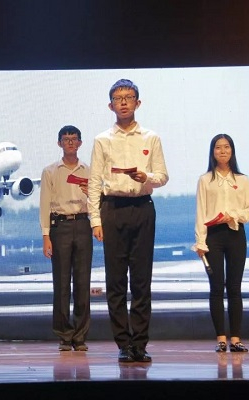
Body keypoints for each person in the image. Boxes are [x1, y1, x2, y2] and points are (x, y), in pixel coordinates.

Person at [87, 79, 169, 363]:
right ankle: (123, 343)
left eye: (129, 97)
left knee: (142, 280)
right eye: (118, 98)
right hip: (112, 209)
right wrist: (95, 220)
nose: (123, 102)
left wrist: (147, 177)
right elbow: (94, 182)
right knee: (116, 280)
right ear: (110, 105)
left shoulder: (151, 137)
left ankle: (140, 344)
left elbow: (163, 176)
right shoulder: (102, 140)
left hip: (142, 208)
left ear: (138, 103)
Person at [193, 134, 249, 353]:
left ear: (232, 151)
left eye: (226, 147)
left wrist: (234, 215)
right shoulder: (205, 180)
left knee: (235, 288)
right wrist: (200, 241)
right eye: (218, 147)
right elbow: (201, 212)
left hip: (236, 233)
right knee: (217, 288)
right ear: (212, 152)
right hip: (213, 236)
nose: (222, 151)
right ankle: (221, 338)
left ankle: (236, 339)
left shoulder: (242, 179)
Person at [39, 125, 92, 352]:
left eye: (74, 139)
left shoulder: (89, 171)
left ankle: (80, 336)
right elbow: (44, 205)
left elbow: (97, 202)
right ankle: (64, 335)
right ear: (59, 143)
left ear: (80, 143)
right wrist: (46, 236)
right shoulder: (50, 171)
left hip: (83, 224)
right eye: (66, 139)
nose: (70, 142)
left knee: (82, 282)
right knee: (61, 283)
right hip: (59, 226)